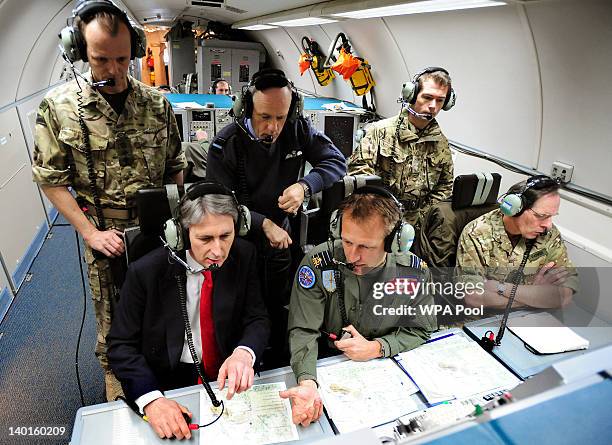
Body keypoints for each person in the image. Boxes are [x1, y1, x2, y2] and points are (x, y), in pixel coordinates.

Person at [31, 0, 185, 401]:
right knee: (113, 318)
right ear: (80, 53)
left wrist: (175, 217)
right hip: (104, 233)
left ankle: (164, 372)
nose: (114, 71)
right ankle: (117, 386)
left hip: (157, 230)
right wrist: (89, 233)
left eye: (122, 59)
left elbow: (176, 166)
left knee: (163, 303)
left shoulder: (156, 104)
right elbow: (51, 180)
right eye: (101, 60)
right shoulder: (59, 108)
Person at [206, 68, 346, 367]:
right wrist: (261, 223)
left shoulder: (297, 129)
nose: (273, 127)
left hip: (282, 244)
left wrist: (305, 186)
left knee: (279, 307)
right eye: (265, 117)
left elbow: (336, 162)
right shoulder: (225, 143)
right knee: (242, 311)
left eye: (280, 117)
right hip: (237, 242)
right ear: (246, 109)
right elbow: (216, 203)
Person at [108, 184, 269, 440]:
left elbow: (257, 318)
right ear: (180, 234)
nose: (217, 251)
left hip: (228, 374)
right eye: (205, 239)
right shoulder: (145, 272)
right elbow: (120, 346)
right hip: (168, 381)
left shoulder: (244, 255)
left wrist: (244, 353)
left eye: (226, 236)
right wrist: (152, 400)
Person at [280, 189, 435, 426]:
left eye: (365, 246)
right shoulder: (318, 264)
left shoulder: (413, 271)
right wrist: (307, 382)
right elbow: (304, 330)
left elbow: (421, 329)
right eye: (347, 241)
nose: (352, 256)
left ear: (394, 242)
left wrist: (377, 347)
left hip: (387, 376)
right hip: (328, 368)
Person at [347, 67, 455, 227]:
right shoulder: (379, 131)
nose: (433, 106)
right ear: (411, 95)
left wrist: (422, 217)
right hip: (376, 217)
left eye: (440, 100)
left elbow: (445, 185)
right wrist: (383, 211)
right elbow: (359, 172)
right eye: (427, 97)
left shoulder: (441, 143)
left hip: (418, 223)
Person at [456, 175, 579, 310]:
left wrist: (500, 287)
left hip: (529, 319)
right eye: (541, 216)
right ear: (515, 209)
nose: (548, 225)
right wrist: (536, 294)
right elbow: (472, 297)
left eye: (551, 216)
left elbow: (564, 295)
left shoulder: (549, 234)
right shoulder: (477, 233)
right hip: (483, 321)